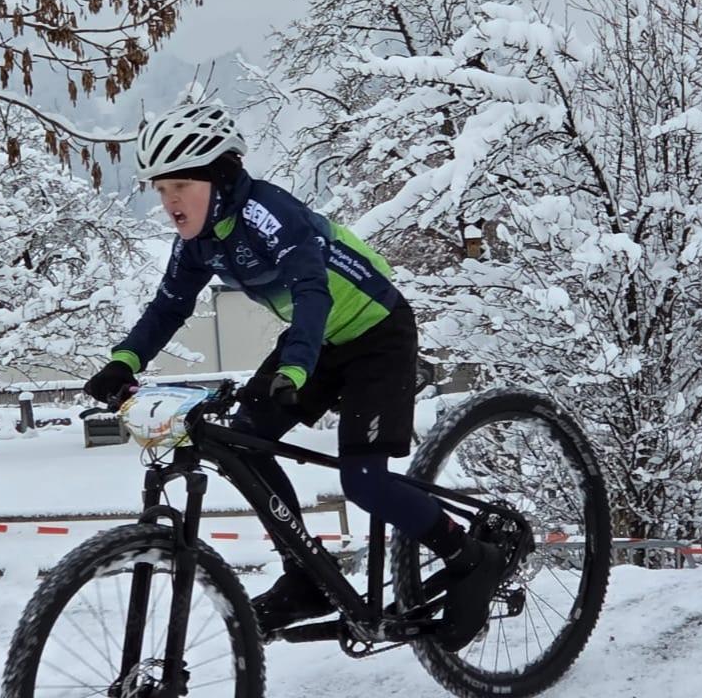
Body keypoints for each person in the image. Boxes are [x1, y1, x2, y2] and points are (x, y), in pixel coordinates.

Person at [84, 101, 519, 648]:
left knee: (363, 481)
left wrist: (295, 364)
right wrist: (124, 361)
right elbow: (169, 306)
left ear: (219, 177)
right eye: (160, 188)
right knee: (246, 443)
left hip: (377, 331)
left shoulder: (268, 212)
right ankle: (308, 578)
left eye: (180, 185)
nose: (169, 201)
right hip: (314, 342)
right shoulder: (198, 242)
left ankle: (468, 555)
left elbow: (311, 287)